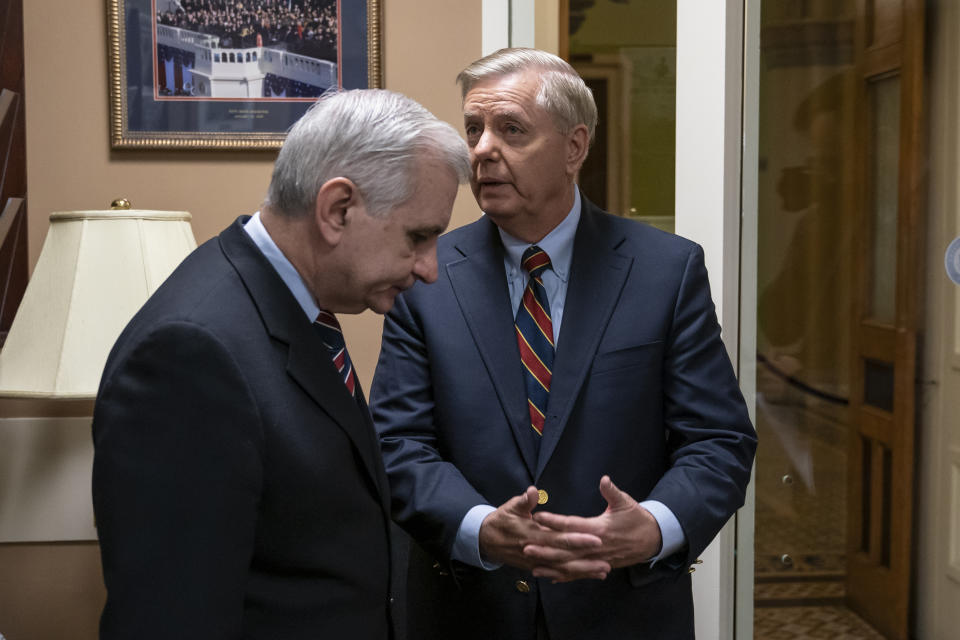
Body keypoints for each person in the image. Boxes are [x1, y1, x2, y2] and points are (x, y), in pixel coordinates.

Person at [369, 48, 757, 640]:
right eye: (473, 130)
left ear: (574, 147)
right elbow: (397, 443)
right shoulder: (425, 274)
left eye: (510, 130)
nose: (480, 150)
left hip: (621, 612)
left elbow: (719, 440)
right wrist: (478, 527)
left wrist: (654, 526)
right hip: (469, 611)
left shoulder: (665, 271)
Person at [92, 89, 470, 640]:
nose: (430, 268)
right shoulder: (189, 355)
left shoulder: (297, 303)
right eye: (419, 237)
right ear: (337, 210)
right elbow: (171, 619)